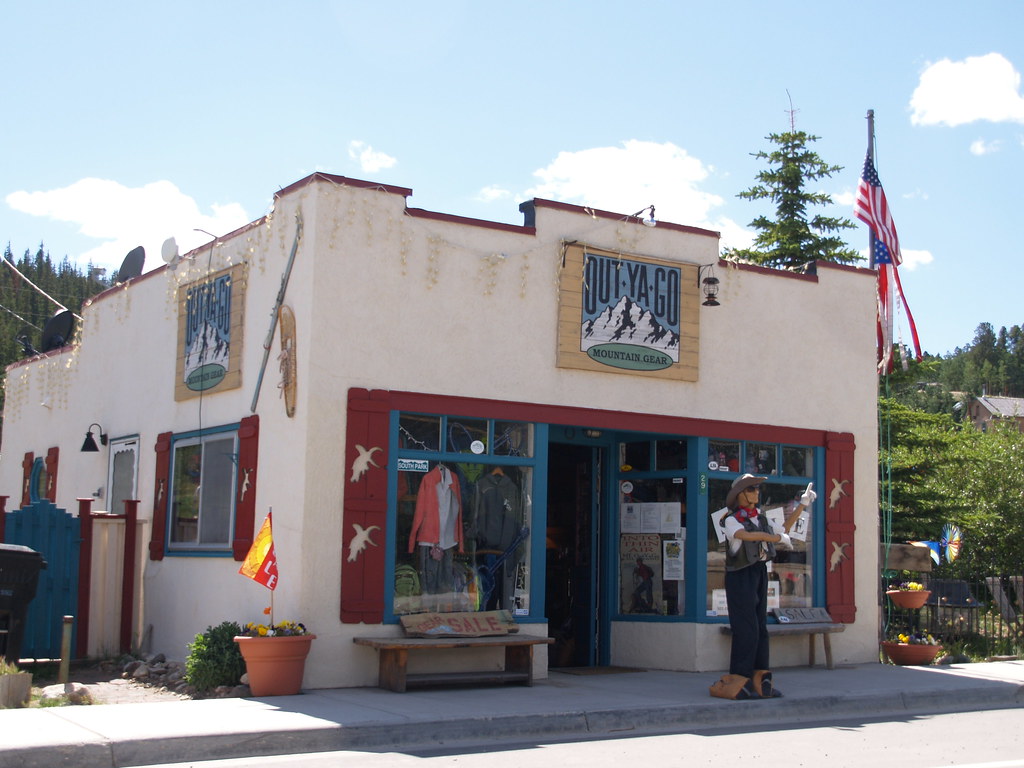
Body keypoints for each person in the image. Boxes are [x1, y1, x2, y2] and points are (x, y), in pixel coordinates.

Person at [709, 474, 816, 700]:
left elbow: (784, 528)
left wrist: (803, 505)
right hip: (739, 576)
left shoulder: (762, 518)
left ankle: (761, 678)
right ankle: (740, 677)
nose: (756, 493)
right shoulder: (731, 519)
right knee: (745, 629)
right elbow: (743, 536)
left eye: (757, 489)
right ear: (740, 494)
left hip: (758, 572)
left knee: (760, 627)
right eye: (751, 489)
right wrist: (775, 538)